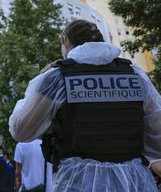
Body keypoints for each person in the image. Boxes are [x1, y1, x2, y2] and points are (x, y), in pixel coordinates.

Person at [9, 19, 161, 191]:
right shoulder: (136, 75)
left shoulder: (57, 78)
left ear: (65, 39)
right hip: (134, 183)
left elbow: (20, 130)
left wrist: (37, 89)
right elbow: (158, 135)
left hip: (78, 183)